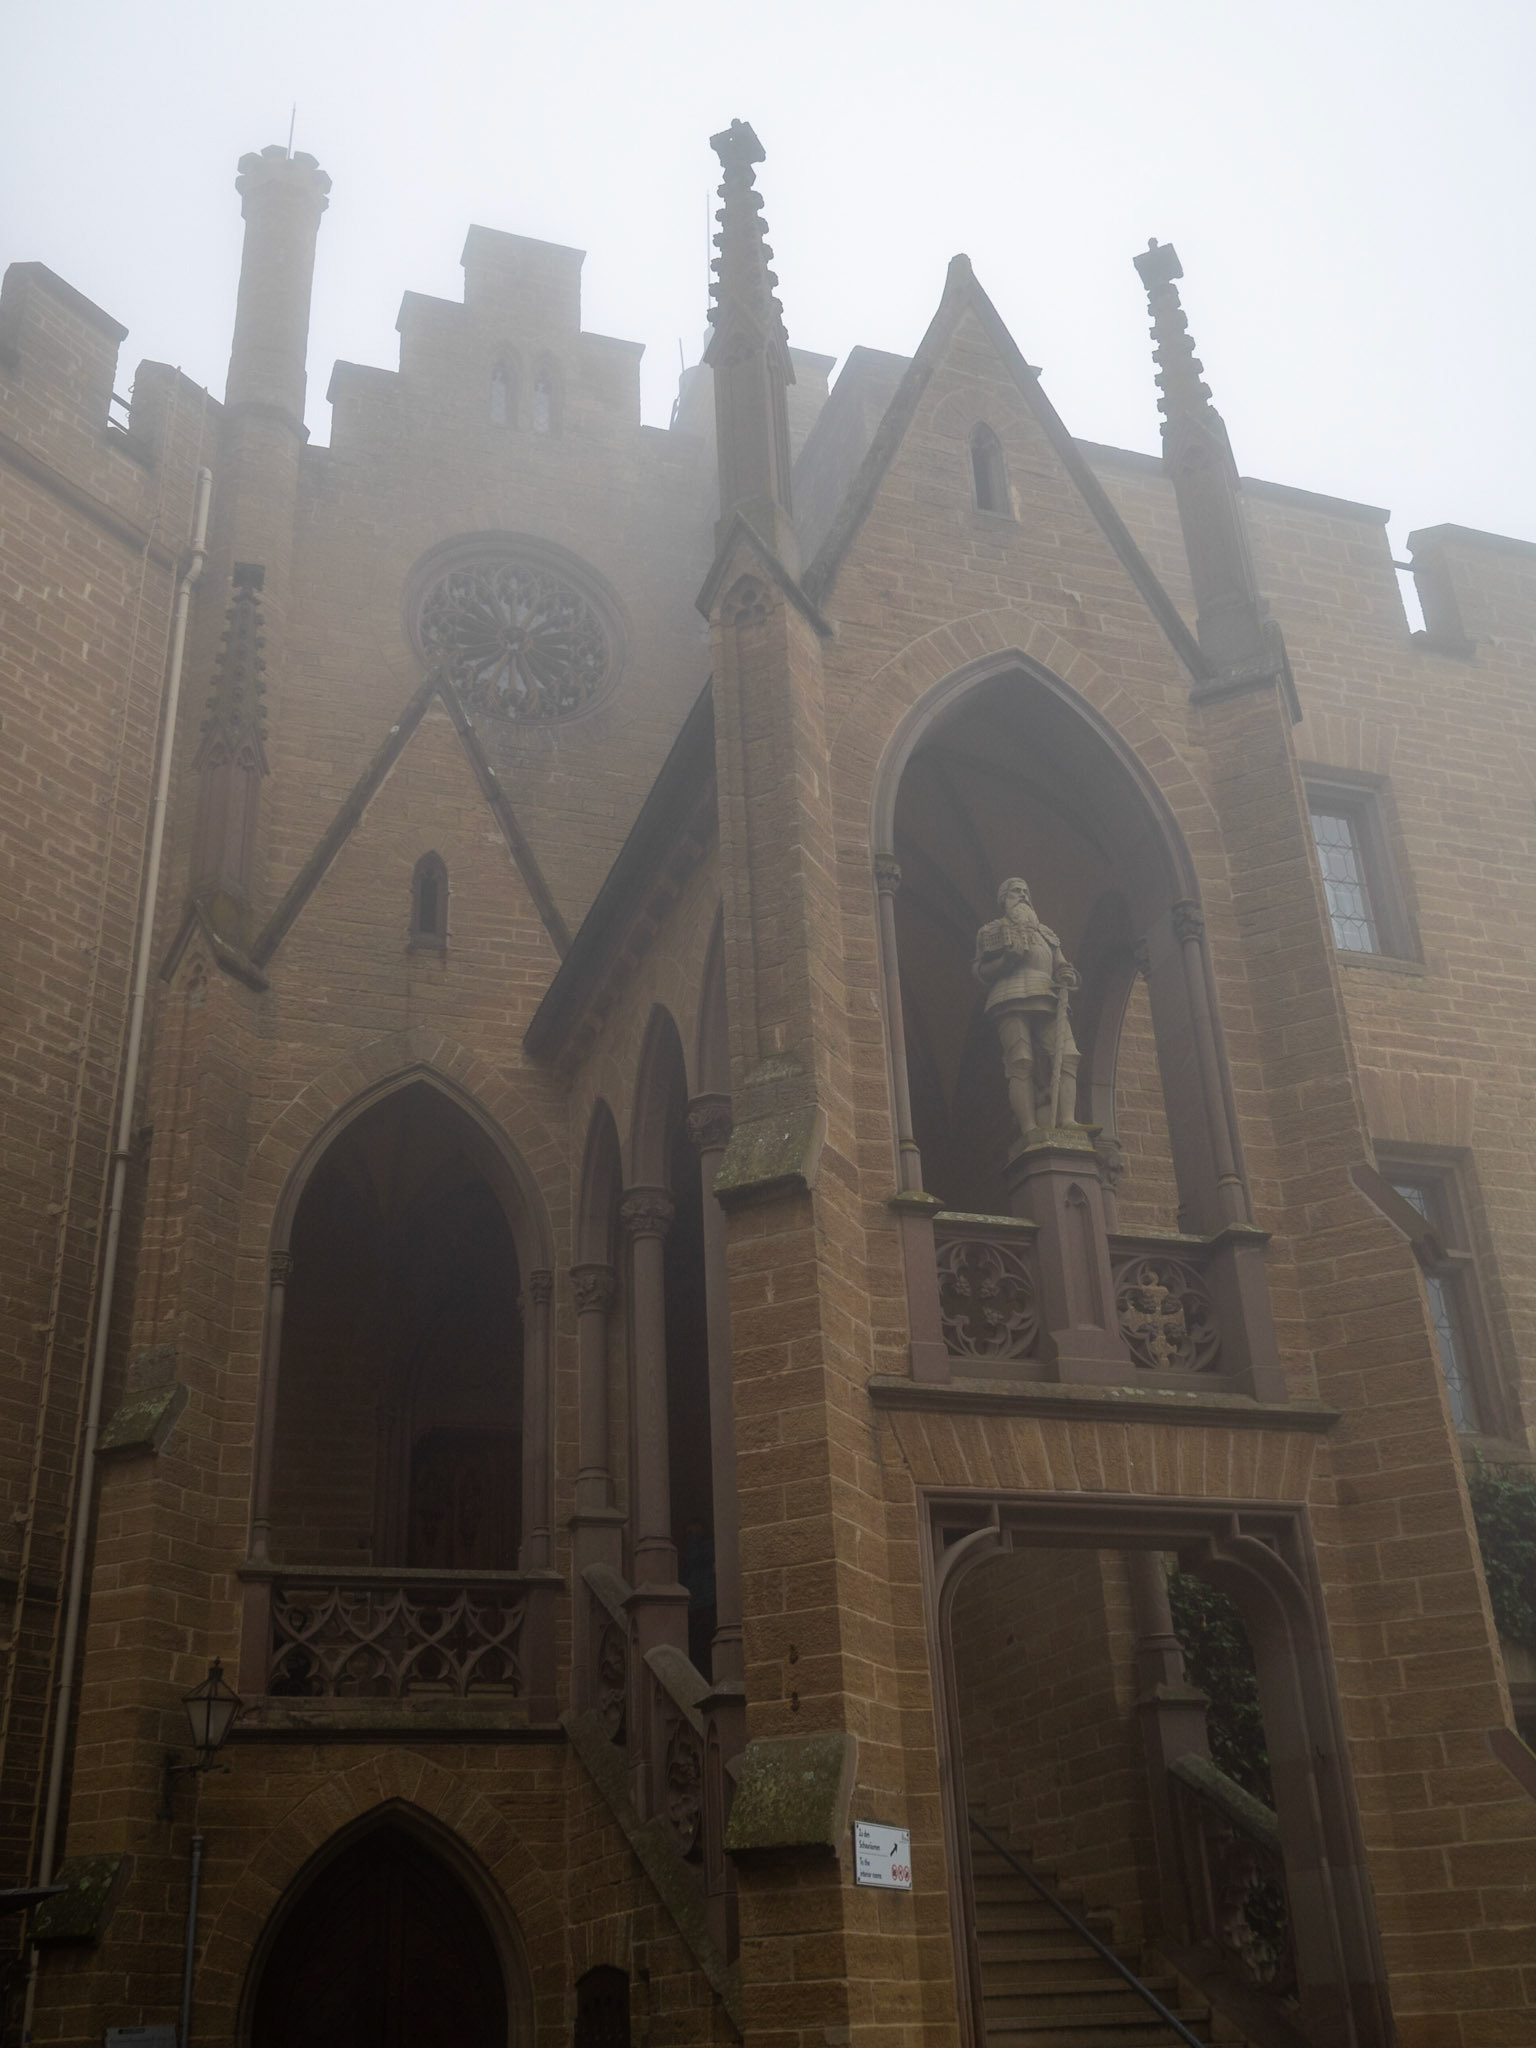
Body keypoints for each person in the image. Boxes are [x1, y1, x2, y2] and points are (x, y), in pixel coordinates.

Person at [973, 877, 1080, 1139]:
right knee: (1021, 1061)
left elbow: (1062, 965)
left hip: (1048, 995)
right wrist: (1006, 961)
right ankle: (1029, 1128)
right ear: (1003, 899)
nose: (1022, 895)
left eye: (1025, 891)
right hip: (1010, 996)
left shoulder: (1047, 934)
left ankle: (1067, 1120)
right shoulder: (992, 931)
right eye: (1015, 891)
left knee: (1067, 1055)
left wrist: (1067, 974)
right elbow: (981, 971)